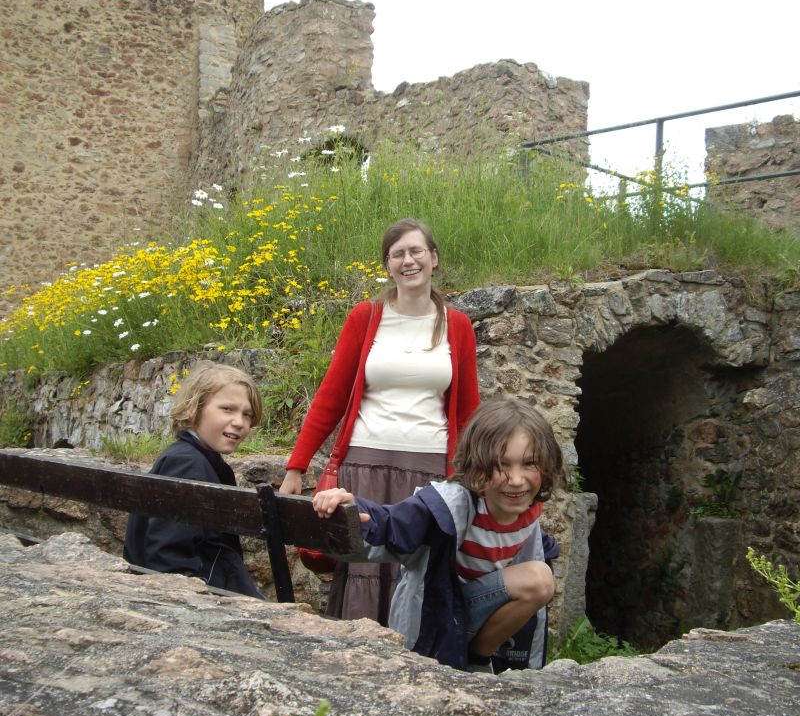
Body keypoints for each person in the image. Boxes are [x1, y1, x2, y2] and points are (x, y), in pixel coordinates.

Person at [279, 217, 480, 624]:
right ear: (387, 265)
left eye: (416, 251)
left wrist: (474, 476)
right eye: (398, 254)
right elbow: (330, 398)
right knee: (364, 571)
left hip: (429, 472)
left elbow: (468, 412)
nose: (409, 261)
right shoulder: (365, 317)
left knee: (418, 572)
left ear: (434, 258)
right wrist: (295, 466)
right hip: (364, 465)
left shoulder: (457, 326)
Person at [312, 397, 565, 673]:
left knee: (539, 577)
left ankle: (478, 658)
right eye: (502, 465)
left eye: (529, 464)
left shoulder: (529, 515)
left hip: (481, 621)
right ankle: (476, 660)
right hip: (440, 619)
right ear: (478, 464)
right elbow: (392, 524)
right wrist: (347, 509)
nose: (516, 480)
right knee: (539, 579)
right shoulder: (448, 506)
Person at [124, 361, 265, 599]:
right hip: (196, 597)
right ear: (196, 408)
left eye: (247, 414)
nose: (240, 422)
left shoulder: (198, 459)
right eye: (227, 409)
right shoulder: (188, 465)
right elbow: (168, 557)